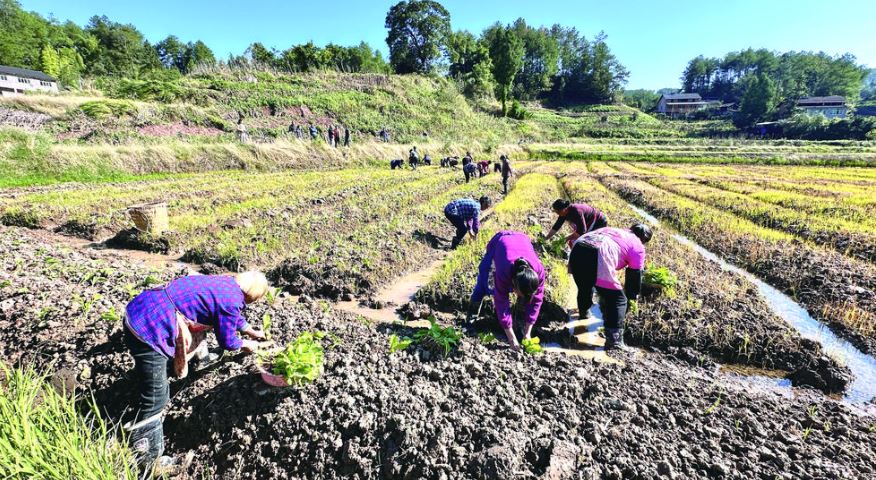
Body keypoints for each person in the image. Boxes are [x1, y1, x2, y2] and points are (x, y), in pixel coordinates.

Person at [122, 272, 272, 473]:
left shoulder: (222, 284)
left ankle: (190, 362)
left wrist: (250, 331)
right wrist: (246, 344)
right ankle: (149, 461)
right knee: (156, 398)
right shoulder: (231, 301)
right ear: (251, 297)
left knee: (151, 376)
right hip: (150, 329)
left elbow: (226, 313)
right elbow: (228, 342)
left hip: (140, 310)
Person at [567, 224, 652, 349]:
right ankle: (614, 341)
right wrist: (631, 297)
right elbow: (634, 276)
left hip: (578, 248)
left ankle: (584, 314)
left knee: (585, 286)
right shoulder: (638, 245)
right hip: (599, 253)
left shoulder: (613, 230)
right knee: (618, 300)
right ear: (644, 239)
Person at [469, 231, 545, 350]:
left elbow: (536, 301)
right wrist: (511, 338)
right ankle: (471, 319)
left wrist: (527, 333)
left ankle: (519, 323)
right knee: (484, 285)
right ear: (513, 285)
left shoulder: (539, 273)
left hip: (522, 240)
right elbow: (501, 302)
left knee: (529, 298)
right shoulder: (504, 271)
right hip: (500, 243)